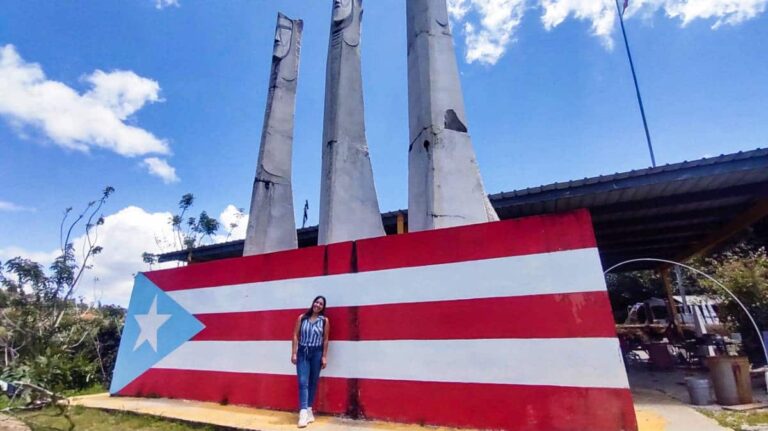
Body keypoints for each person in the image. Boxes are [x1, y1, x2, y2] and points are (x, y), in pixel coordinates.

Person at [291, 295, 330, 428]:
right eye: (316, 302)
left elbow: (325, 339)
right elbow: (296, 335)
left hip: (317, 353)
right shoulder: (302, 318)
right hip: (303, 352)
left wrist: (324, 356)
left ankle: (309, 410)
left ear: (323, 307)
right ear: (313, 303)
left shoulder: (324, 320)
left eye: (321, 304)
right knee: (303, 381)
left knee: (313, 381)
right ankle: (302, 414)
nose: (318, 305)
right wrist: (294, 353)